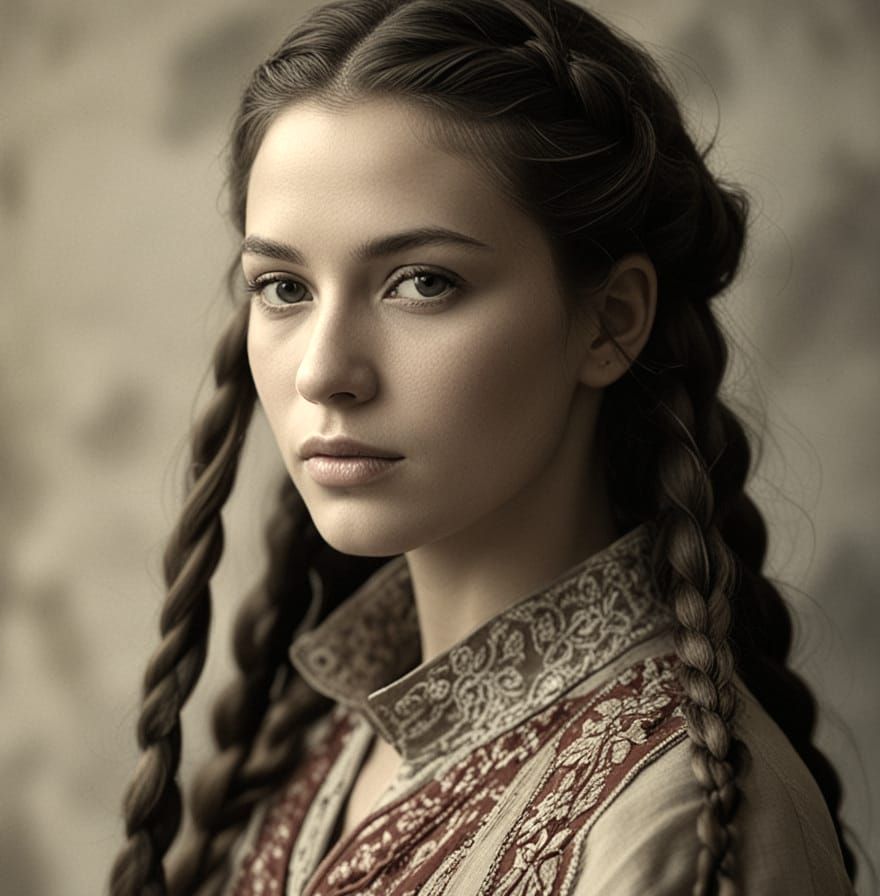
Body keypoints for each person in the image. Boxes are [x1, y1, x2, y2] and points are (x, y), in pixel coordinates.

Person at [108, 0, 862, 893]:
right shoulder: (314, 741)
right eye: (282, 286)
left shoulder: (680, 824)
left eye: (422, 282)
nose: (323, 372)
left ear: (609, 322)